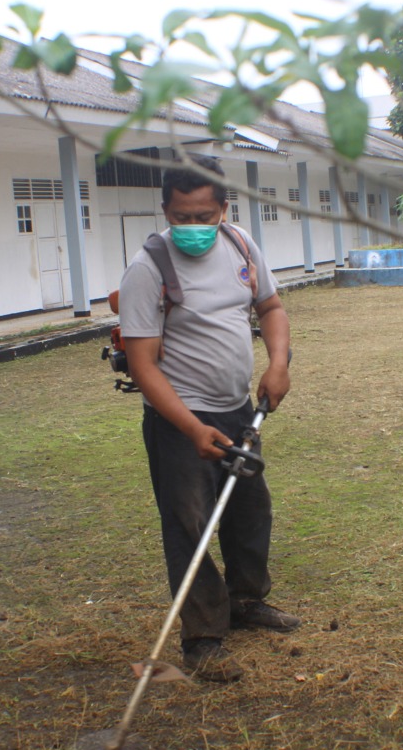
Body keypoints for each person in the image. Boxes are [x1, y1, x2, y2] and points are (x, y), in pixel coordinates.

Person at [118, 155, 298, 683]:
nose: (192, 227)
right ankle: (203, 638)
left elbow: (271, 308)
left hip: (240, 407)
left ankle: (247, 601)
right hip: (181, 419)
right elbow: (142, 364)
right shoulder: (148, 268)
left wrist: (279, 363)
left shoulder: (241, 245)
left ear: (223, 207)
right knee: (190, 524)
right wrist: (191, 428)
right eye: (180, 217)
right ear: (165, 211)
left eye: (203, 215)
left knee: (249, 509)